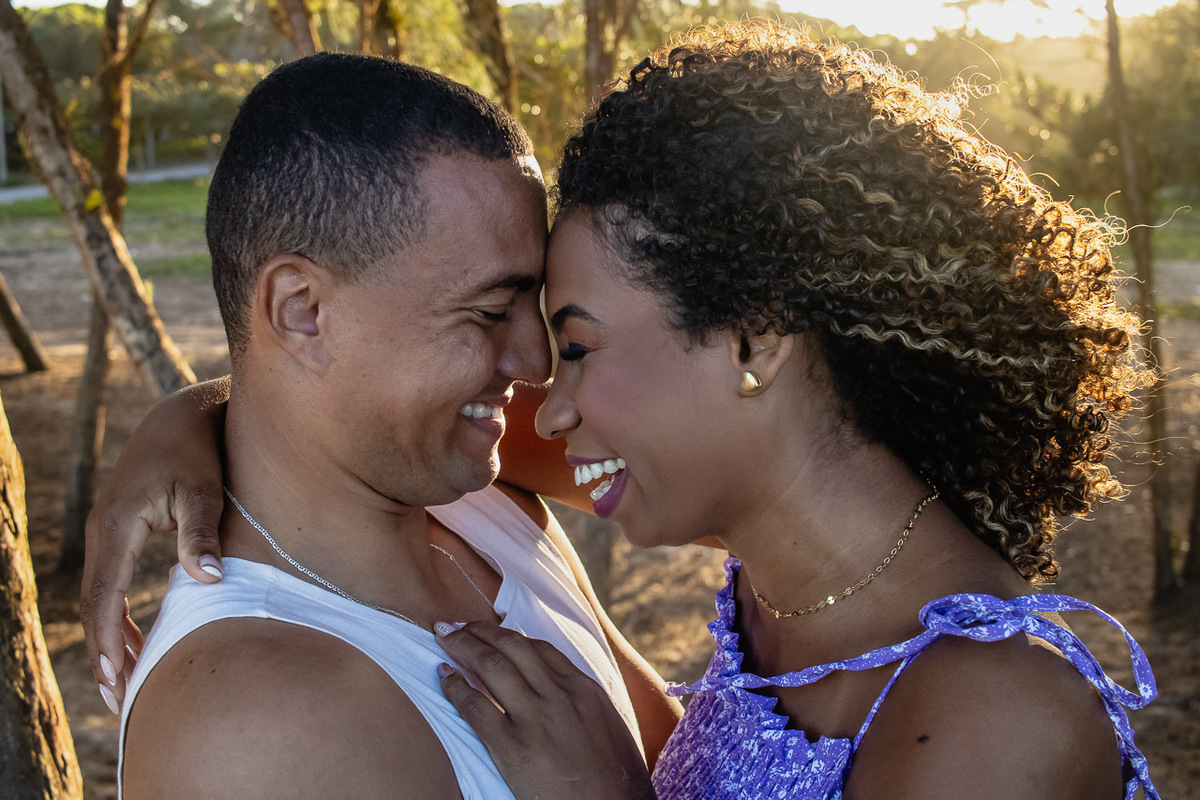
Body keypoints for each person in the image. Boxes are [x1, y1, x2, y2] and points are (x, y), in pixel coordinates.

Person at [85, 21, 1162, 800]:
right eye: (502, 315)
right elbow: (321, 413)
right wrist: (198, 414)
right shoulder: (256, 719)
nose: (535, 391)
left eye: (570, 337)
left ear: (755, 338)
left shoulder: (995, 718)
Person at [102, 52, 675, 799]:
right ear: (301, 311)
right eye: (490, 311)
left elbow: (681, 765)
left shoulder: (482, 497)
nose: (537, 361)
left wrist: (188, 411)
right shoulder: (249, 727)